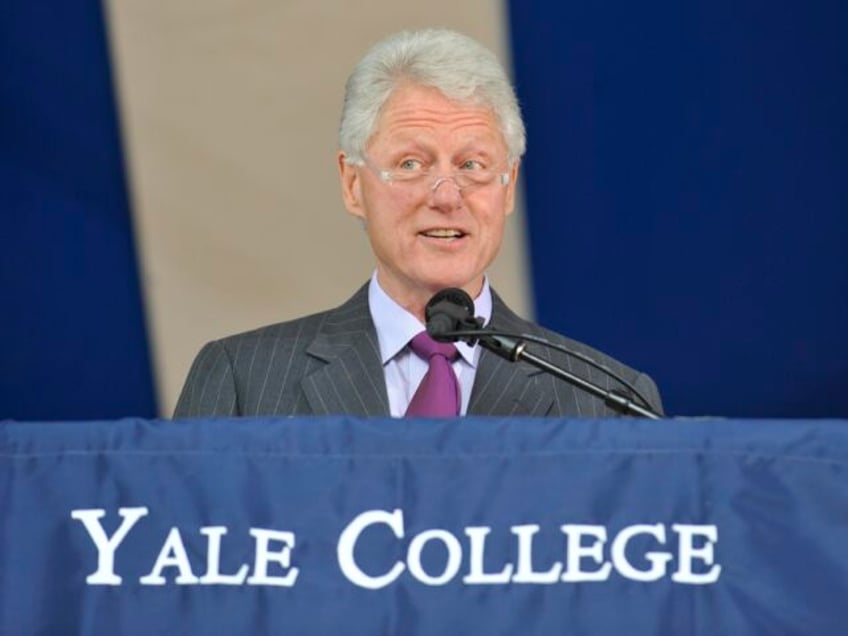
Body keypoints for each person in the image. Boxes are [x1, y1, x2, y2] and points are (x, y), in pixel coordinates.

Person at [174, 28, 663, 419]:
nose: (447, 197)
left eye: (472, 165)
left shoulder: (606, 402)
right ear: (352, 184)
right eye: (412, 164)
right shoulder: (243, 382)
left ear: (508, 186)